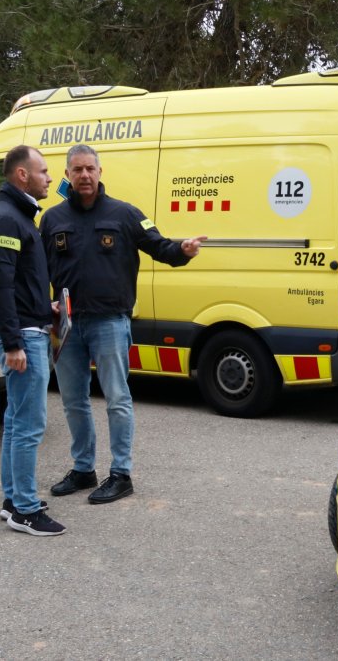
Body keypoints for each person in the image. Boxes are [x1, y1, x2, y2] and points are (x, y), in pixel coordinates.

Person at [41, 144, 206, 504]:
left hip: (109, 322)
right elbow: (39, 270)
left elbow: (160, 247)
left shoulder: (125, 215)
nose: (84, 175)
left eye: (90, 169)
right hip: (67, 324)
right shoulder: (52, 220)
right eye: (77, 170)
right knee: (73, 400)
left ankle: (121, 474)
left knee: (117, 398)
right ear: (67, 175)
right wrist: (44, 306)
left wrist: (184, 250)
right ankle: (83, 469)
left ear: (100, 172)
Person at [0, 145, 64, 535]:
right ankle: (25, 511)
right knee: (30, 424)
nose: (50, 178)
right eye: (44, 171)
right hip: (22, 339)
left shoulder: (19, 216)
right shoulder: (6, 220)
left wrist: (43, 306)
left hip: (28, 328)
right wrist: (13, 342)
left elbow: (17, 283)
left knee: (16, 421)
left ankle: (14, 498)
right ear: (22, 175)